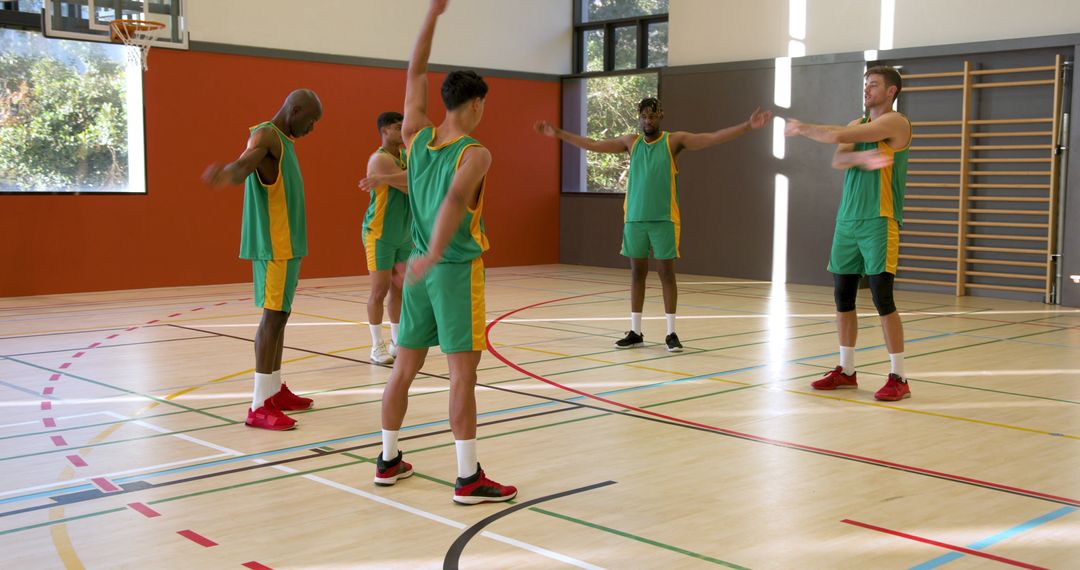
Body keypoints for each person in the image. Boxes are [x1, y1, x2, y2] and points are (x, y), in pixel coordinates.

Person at [374, 0, 517, 505]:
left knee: (404, 368)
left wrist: (431, 17)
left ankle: (388, 459)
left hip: (418, 272)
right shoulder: (476, 152)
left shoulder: (414, 136)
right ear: (476, 104)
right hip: (451, 269)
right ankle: (467, 478)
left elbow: (414, 69)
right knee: (462, 375)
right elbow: (456, 199)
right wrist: (435, 254)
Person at [536, 100, 771, 352]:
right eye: (644, 116)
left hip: (664, 219)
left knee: (666, 275)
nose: (648, 121)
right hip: (634, 218)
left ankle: (671, 333)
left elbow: (711, 138)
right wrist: (558, 133)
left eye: (653, 116)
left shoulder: (673, 141)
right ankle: (635, 332)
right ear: (639, 118)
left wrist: (747, 126)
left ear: (661, 116)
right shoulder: (631, 142)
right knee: (637, 275)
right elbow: (593, 145)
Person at [785, 65, 913, 401]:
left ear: (891, 92)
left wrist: (802, 128)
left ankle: (899, 376)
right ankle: (847, 370)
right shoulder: (858, 123)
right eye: (866, 84)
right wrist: (865, 160)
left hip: (879, 219)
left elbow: (836, 137)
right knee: (843, 297)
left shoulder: (896, 123)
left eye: (874, 85)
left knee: (882, 298)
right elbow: (839, 161)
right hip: (848, 221)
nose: (867, 89)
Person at [203, 89, 323, 430]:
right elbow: (246, 164)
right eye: (312, 120)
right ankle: (259, 406)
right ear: (295, 109)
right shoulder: (267, 135)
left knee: (281, 316)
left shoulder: (283, 141)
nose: (313, 128)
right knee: (272, 319)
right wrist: (227, 173)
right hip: (276, 244)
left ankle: (274, 390)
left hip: (288, 244)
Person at [358, 112, 411, 365]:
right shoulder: (378, 158)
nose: (404, 131)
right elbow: (412, 183)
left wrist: (387, 180)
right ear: (385, 130)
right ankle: (376, 346)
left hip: (404, 233)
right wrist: (397, 179)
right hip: (379, 233)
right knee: (379, 290)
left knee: (399, 289)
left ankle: (396, 342)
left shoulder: (405, 156)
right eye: (398, 127)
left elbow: (416, 183)